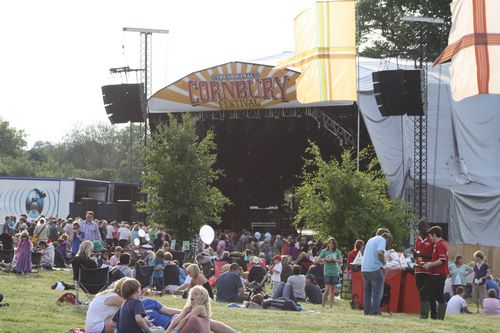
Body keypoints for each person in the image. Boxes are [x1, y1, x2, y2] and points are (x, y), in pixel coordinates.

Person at [421, 226, 449, 320]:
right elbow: (440, 260)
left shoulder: (440, 245)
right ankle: (440, 319)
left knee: (423, 292)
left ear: (434, 235)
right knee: (439, 296)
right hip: (441, 274)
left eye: (431, 236)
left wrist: (430, 265)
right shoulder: (440, 244)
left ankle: (424, 316)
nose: (430, 238)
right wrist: (429, 263)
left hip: (438, 274)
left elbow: (442, 260)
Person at [361, 231, 392, 315]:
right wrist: (383, 262)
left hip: (364, 269)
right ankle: (376, 311)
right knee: (376, 292)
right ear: (386, 238)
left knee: (367, 292)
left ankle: (367, 311)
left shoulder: (370, 240)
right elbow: (380, 253)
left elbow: (363, 252)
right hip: (374, 268)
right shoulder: (382, 240)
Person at [411, 222, 436, 319]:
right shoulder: (418, 239)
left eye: (421, 228)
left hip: (428, 270)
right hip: (418, 269)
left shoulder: (432, 239)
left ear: (426, 228)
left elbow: (433, 256)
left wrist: (420, 255)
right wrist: (414, 253)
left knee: (430, 292)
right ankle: (424, 313)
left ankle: (433, 313)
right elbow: (417, 254)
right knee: (420, 292)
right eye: (418, 229)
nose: (420, 230)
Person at [319, 237, 342, 308]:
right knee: (327, 289)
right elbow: (318, 260)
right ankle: (323, 304)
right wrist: (325, 259)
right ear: (327, 244)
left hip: (334, 272)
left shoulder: (337, 251)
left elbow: (341, 261)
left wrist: (335, 260)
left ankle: (331, 306)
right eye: (329, 243)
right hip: (327, 272)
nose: (331, 244)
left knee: (332, 290)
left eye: (332, 243)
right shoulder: (324, 251)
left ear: (334, 244)